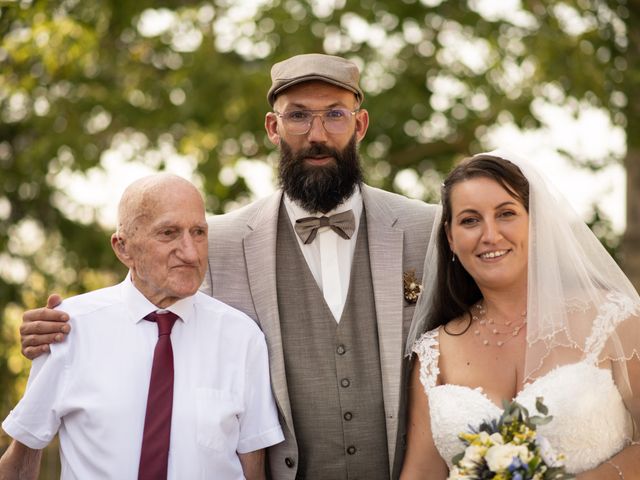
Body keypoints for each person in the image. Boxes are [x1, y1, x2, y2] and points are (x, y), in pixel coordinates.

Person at [17, 54, 439, 479]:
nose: (317, 134)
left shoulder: (426, 229)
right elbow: (149, 298)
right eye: (298, 116)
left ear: (360, 124)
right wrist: (61, 328)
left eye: (334, 115)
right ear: (273, 128)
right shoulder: (215, 240)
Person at [0, 174, 283, 479]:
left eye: (198, 232)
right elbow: (21, 461)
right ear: (123, 248)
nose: (190, 252)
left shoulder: (242, 338)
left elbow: (254, 470)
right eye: (168, 233)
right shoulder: (68, 329)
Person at [399, 151, 640, 479]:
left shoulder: (612, 319)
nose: (490, 235)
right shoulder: (434, 353)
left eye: (506, 214)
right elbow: (421, 473)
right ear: (451, 238)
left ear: (536, 223)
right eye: (470, 220)